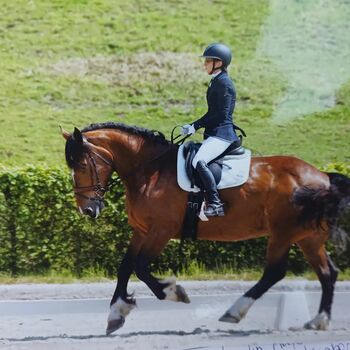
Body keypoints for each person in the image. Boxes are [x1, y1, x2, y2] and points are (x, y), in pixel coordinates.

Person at [181, 43, 239, 217]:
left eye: (208, 61)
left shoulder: (224, 84)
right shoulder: (217, 81)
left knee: (199, 160)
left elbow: (220, 114)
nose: (204, 64)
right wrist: (194, 125)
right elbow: (212, 112)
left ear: (218, 63)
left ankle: (215, 203)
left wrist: (195, 126)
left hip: (223, 134)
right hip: (215, 133)